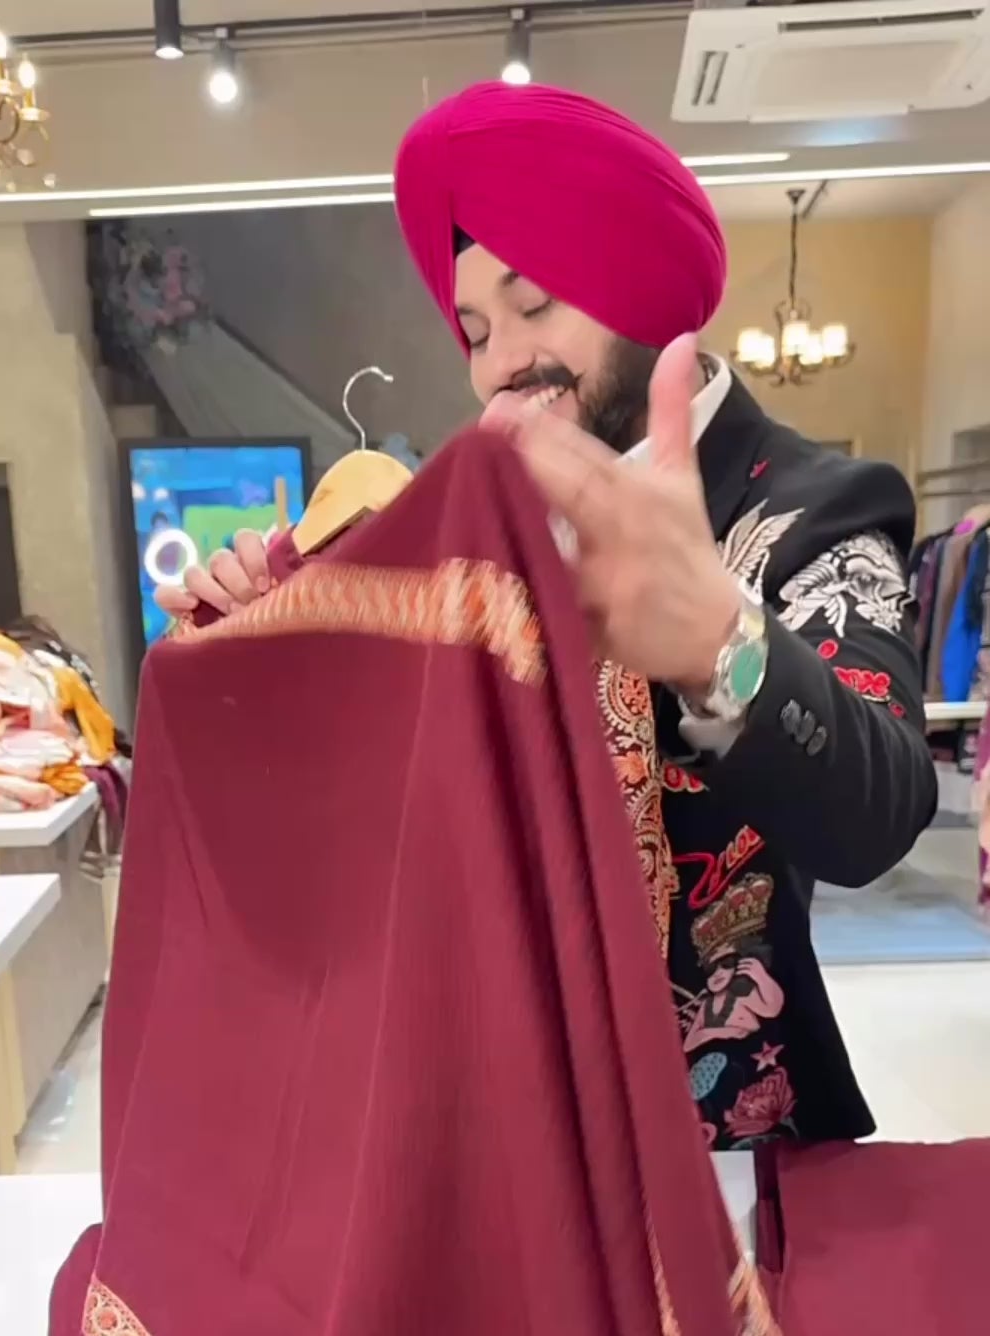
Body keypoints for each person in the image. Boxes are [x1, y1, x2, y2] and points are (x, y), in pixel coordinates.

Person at [157, 81, 937, 1151]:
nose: (500, 364)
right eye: (476, 330)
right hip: (488, 1126)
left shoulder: (811, 507)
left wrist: (721, 648)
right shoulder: (472, 525)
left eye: (534, 307)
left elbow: (877, 813)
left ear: (640, 283)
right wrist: (277, 663)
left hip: (723, 1134)